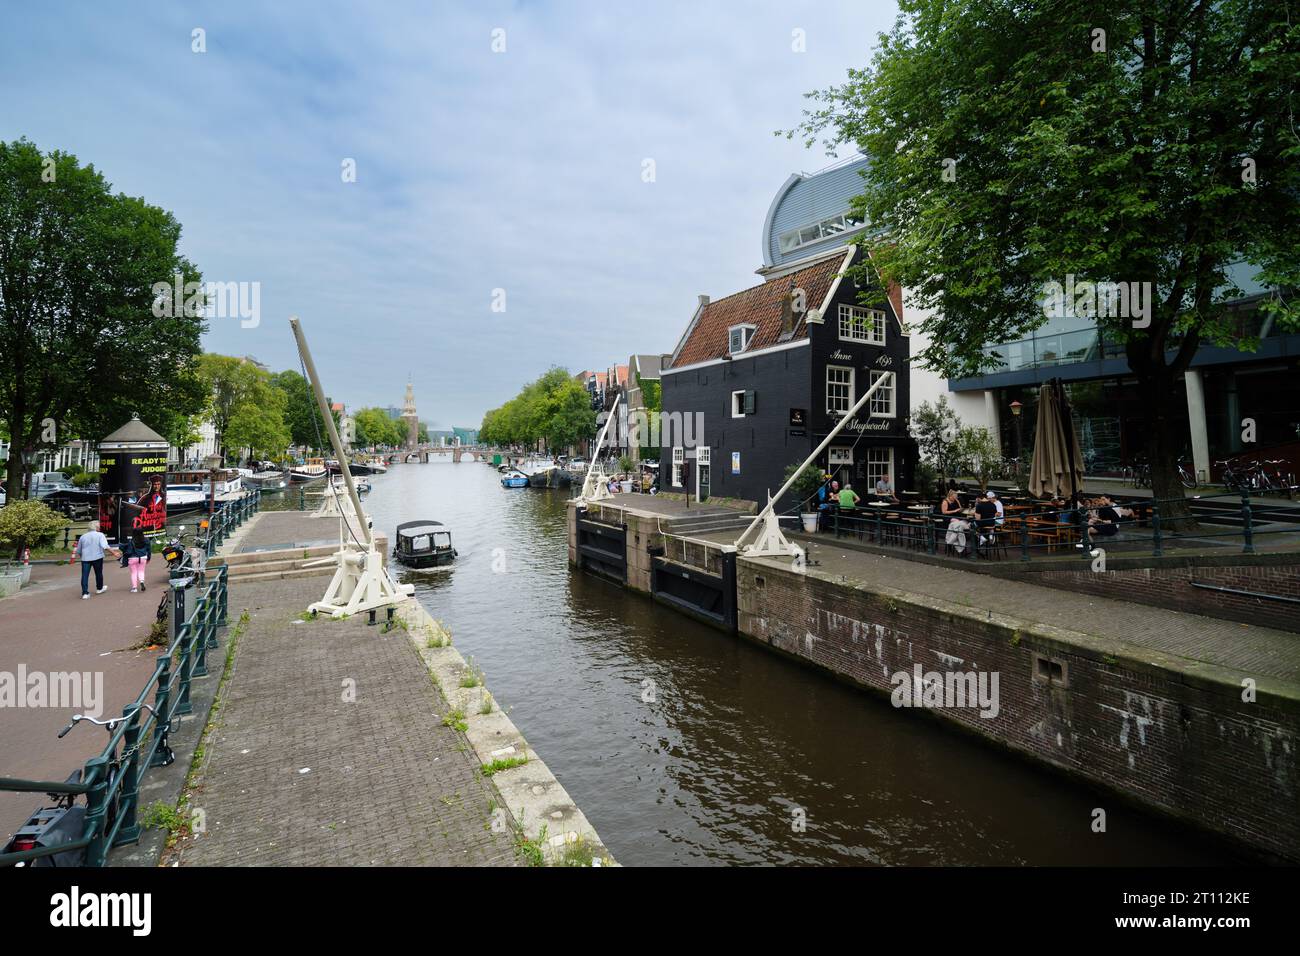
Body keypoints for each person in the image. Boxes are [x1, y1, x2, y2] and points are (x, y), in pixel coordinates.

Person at [70, 521, 120, 599]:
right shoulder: (100, 535)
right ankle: (99, 588)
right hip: (97, 557)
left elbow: (79, 550)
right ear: (96, 527)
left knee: (84, 575)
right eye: (99, 526)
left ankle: (85, 593)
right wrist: (114, 552)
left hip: (85, 558)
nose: (100, 527)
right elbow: (105, 546)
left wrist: (82, 556)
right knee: (98, 573)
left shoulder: (83, 536)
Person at [123, 528, 151, 593]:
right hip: (143, 557)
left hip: (133, 558)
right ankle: (142, 582)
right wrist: (148, 558)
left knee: (134, 573)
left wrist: (125, 555)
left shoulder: (131, 541)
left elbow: (129, 551)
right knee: (141, 571)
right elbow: (149, 550)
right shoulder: (146, 540)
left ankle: (134, 588)